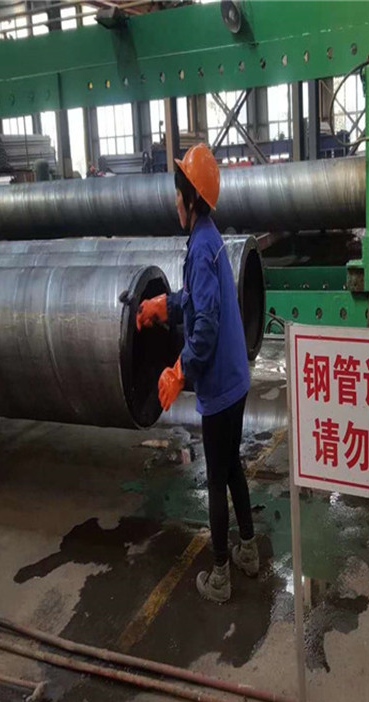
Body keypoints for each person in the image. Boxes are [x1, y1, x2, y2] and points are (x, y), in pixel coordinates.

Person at [137, 143, 258, 603]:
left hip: (220, 386)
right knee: (232, 467)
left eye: (178, 194)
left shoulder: (202, 246)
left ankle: (221, 575)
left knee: (217, 476)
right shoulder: (208, 239)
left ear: (191, 198)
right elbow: (195, 302)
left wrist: (179, 371)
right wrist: (163, 305)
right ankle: (249, 551)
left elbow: (204, 328)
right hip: (236, 379)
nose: (174, 202)